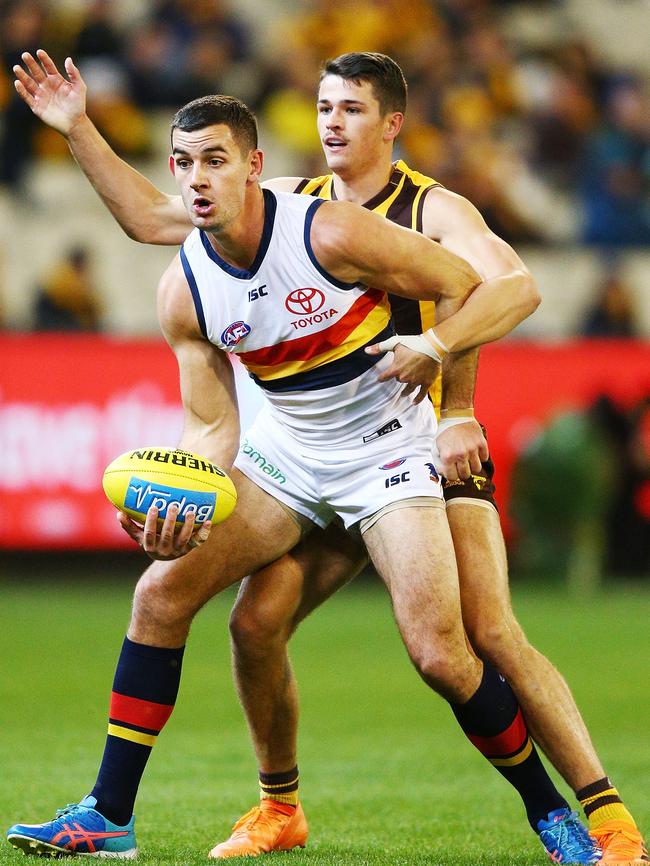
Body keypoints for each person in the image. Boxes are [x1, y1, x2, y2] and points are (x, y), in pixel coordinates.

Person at [9, 50, 646, 865]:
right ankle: (126, 814)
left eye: (350, 108)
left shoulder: (407, 213)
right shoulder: (218, 255)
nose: (333, 123)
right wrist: (184, 499)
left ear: (391, 124)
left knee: (465, 643)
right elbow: (197, 382)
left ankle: (591, 815)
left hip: (399, 441)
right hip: (289, 459)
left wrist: (454, 401)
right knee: (196, 605)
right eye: (323, 107)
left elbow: (499, 287)